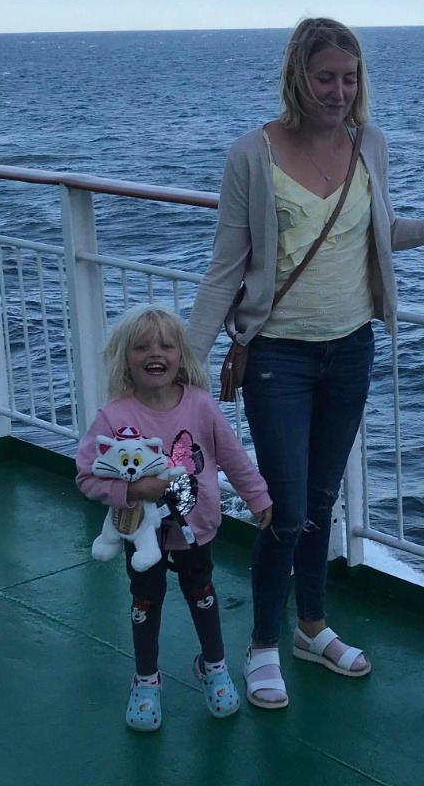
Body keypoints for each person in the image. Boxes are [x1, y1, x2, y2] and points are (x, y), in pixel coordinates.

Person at [185, 16, 424, 710]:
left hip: (351, 347)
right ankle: (263, 644)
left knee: (319, 502)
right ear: (297, 78)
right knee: (282, 507)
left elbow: (380, 232)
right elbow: (226, 268)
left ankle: (311, 627)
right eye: (325, 78)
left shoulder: (370, 143)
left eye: (349, 78)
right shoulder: (252, 154)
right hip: (277, 355)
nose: (339, 92)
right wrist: (186, 368)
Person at [76, 306, 272, 731]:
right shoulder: (113, 417)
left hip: (196, 528)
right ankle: (146, 678)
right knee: (145, 601)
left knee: (202, 594)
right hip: (142, 535)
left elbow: (234, 458)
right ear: (125, 358)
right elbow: (87, 476)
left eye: (166, 345)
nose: (155, 353)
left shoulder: (200, 405)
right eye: (142, 347)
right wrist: (131, 491)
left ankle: (213, 666)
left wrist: (258, 497)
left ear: (181, 355)